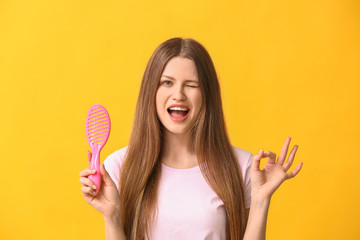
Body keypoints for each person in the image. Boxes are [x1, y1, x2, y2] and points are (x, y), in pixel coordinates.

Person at [79, 37, 303, 240]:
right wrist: (112, 215)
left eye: (191, 85)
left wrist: (261, 200)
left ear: (207, 94)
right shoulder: (119, 166)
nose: (178, 94)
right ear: (151, 91)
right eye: (167, 82)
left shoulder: (241, 165)